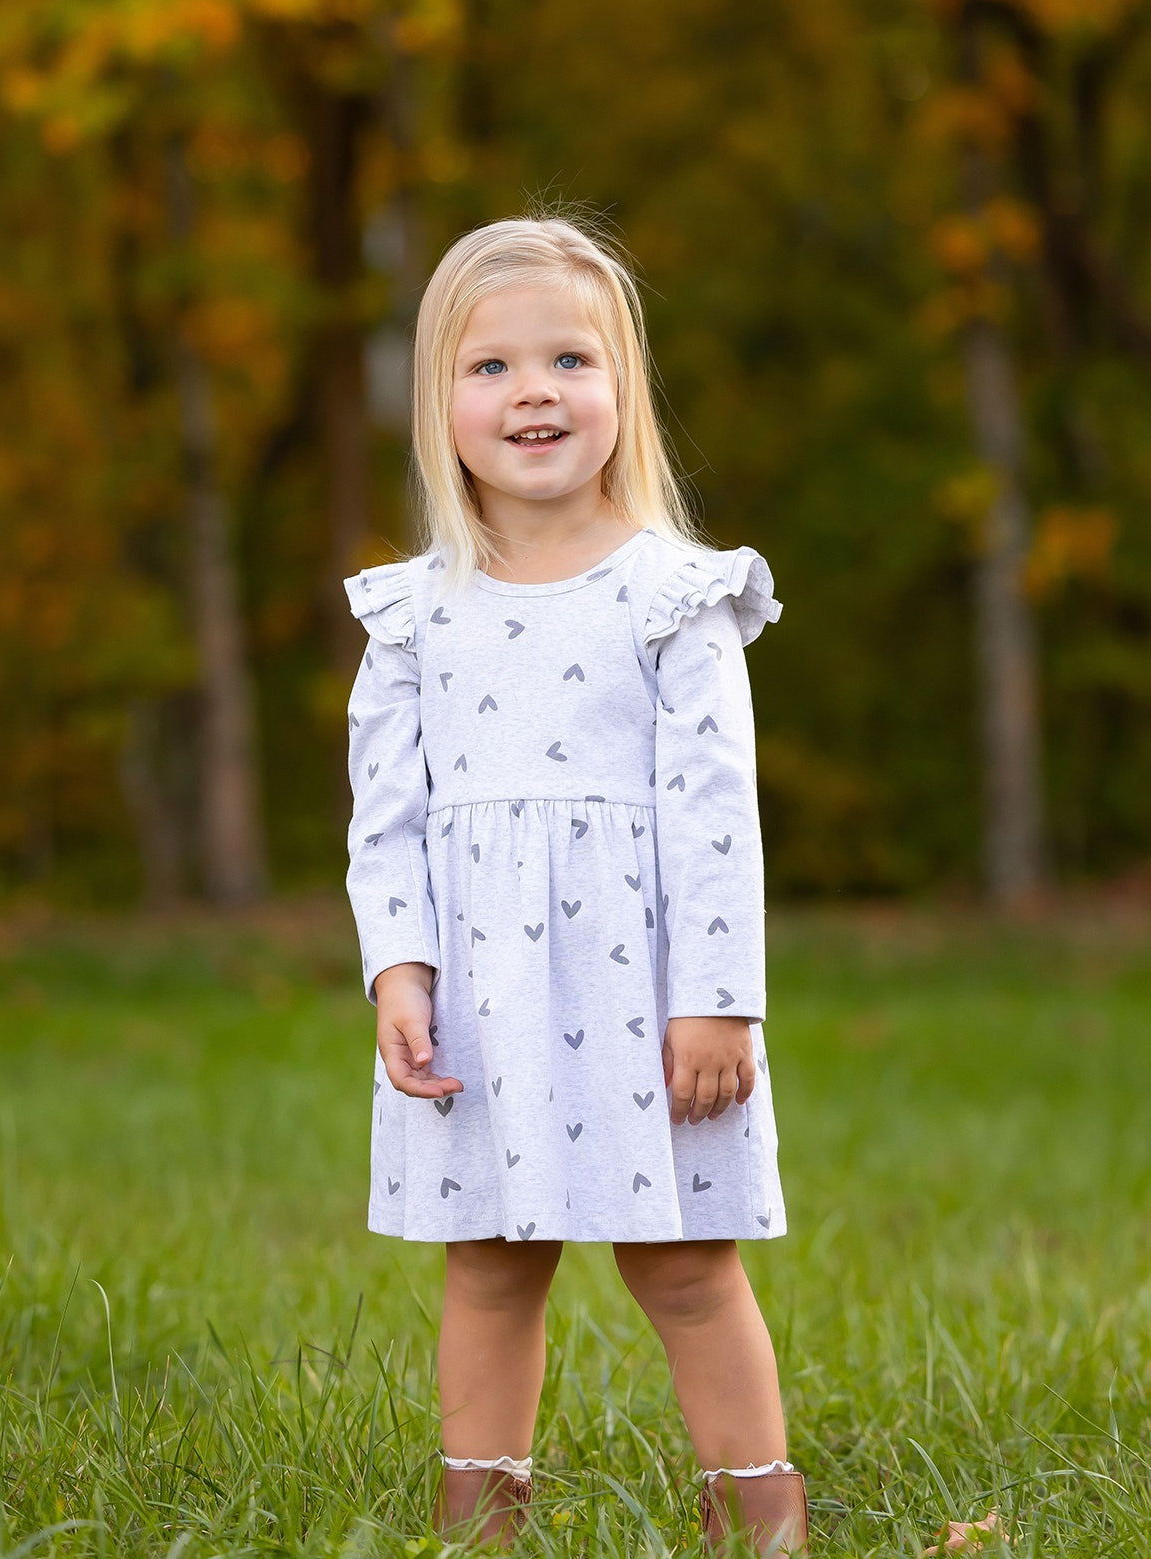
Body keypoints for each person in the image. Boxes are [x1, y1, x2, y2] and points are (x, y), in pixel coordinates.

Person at [342, 213, 808, 1556]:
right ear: (440, 401)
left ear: (623, 387)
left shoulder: (675, 598)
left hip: (649, 1001)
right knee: (489, 1265)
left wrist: (718, 1002)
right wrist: (399, 970)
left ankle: (762, 1521)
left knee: (685, 1264)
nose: (532, 392)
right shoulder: (414, 612)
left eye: (569, 360)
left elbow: (717, 821)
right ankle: (479, 1523)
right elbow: (387, 817)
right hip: (482, 1005)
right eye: (490, 366)